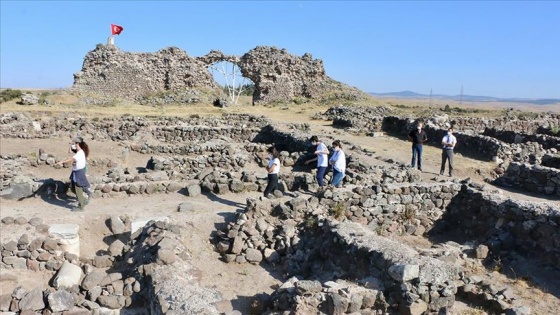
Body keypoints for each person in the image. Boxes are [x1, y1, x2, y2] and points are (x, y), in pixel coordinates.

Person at [57, 136, 91, 212]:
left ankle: (81, 206)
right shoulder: (79, 151)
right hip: (76, 172)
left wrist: (61, 162)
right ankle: (83, 198)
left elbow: (71, 159)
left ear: (77, 143)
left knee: (78, 188)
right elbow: (70, 152)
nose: (73, 145)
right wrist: (71, 145)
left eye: (74, 143)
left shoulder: (80, 153)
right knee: (73, 187)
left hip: (79, 172)